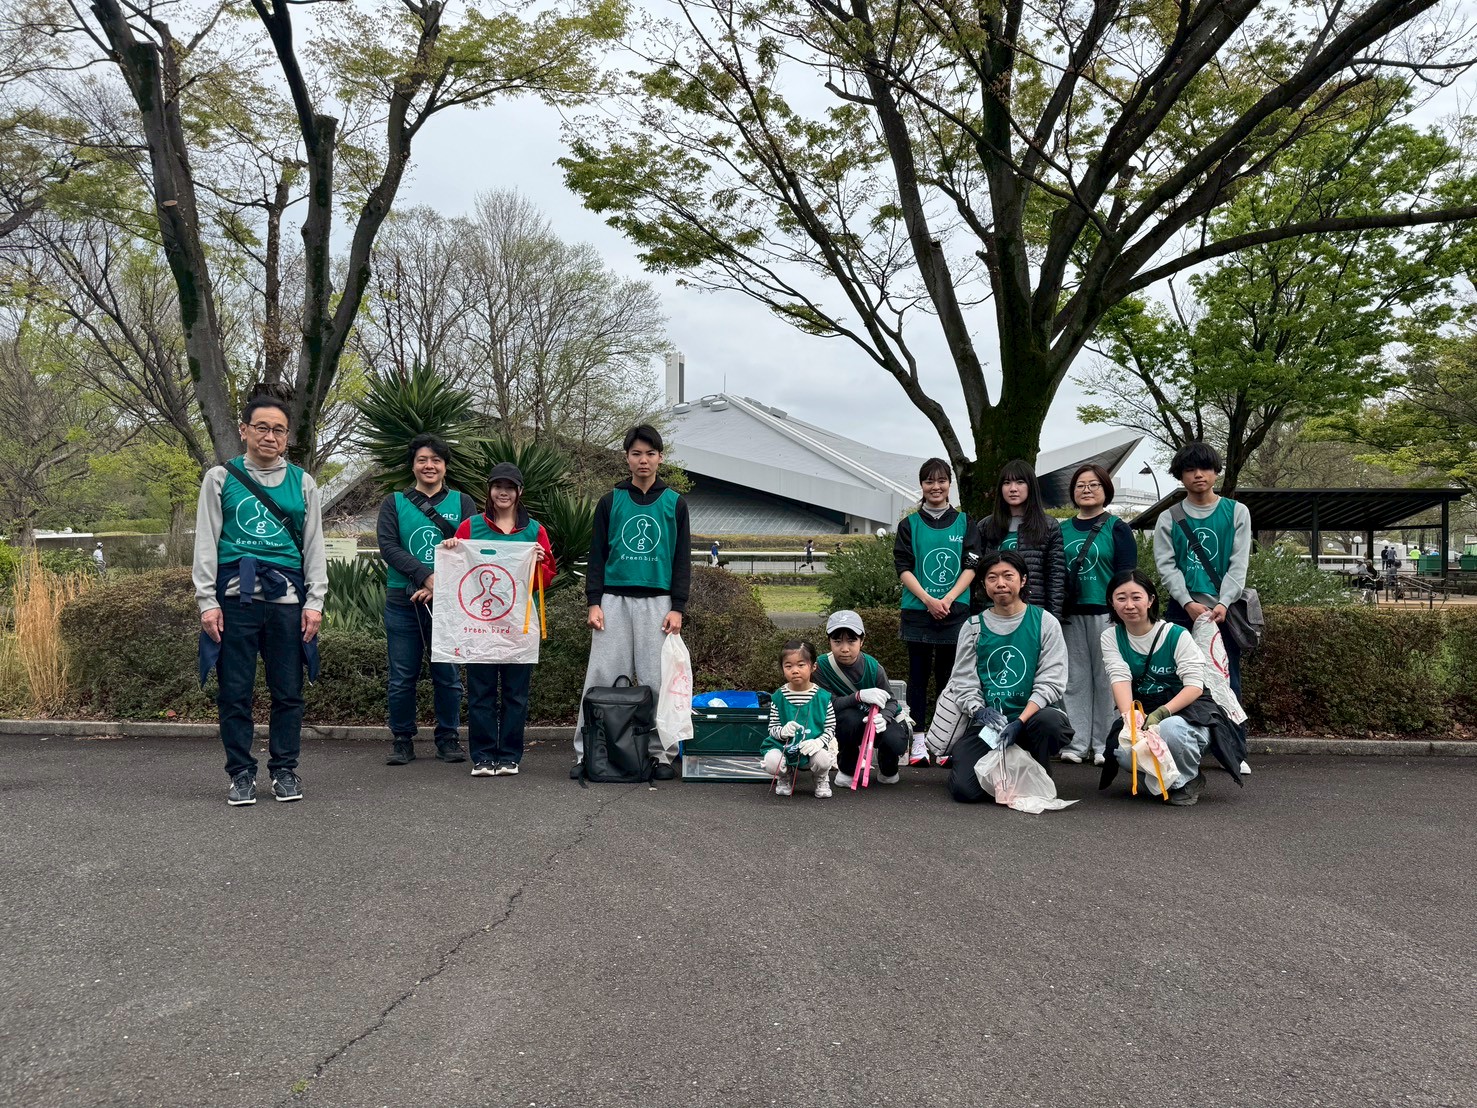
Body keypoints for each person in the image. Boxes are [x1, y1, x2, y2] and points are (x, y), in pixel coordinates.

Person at [194, 388, 327, 807]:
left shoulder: (303, 482)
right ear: (244, 430)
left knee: (288, 690)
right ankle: (240, 774)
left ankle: (285, 769)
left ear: (287, 437)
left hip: (288, 603)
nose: (270, 437)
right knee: (234, 691)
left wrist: (315, 602)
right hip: (235, 602)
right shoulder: (220, 478)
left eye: (279, 430)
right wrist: (206, 601)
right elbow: (206, 543)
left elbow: (314, 546)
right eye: (263, 428)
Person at [577, 425, 691, 780]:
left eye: (650, 453)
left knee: (659, 679)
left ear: (660, 457)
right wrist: (593, 601)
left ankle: (661, 754)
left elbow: (682, 559)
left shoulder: (675, 503)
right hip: (613, 599)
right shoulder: (611, 501)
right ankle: (589, 750)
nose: (644, 460)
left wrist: (678, 606)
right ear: (627, 457)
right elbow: (596, 555)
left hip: (658, 603)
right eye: (636, 453)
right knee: (602, 676)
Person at [444, 462, 556, 777]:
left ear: (519, 492)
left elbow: (545, 581)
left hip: (518, 625)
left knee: (515, 694)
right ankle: (482, 755)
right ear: (489, 491)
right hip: (480, 626)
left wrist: (540, 565)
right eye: (497, 486)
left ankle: (509, 755)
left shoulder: (535, 531)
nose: (503, 492)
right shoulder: (469, 527)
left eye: (509, 487)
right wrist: (452, 548)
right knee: (480, 692)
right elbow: (458, 573)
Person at [376, 433, 478, 767]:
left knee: (447, 674)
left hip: (448, 602)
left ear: (445, 465)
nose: (429, 465)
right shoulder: (394, 502)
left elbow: (468, 549)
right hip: (402, 600)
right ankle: (402, 739)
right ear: (413, 465)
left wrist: (439, 586)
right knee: (401, 675)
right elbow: (389, 546)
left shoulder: (463, 503)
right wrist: (424, 576)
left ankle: (448, 737)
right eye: (422, 460)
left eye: (436, 460)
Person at [941, 550, 1074, 803]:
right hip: (989, 725)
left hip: (1032, 719)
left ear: (1023, 580)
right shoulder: (973, 627)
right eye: (992, 577)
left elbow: (1052, 682)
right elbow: (963, 681)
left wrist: (1021, 721)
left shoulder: (1044, 622)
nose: (1000, 583)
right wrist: (979, 711)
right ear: (983, 584)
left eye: (1008, 576)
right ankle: (1006, 769)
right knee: (964, 791)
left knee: (1051, 725)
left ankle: (1037, 763)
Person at [1152, 441, 1252, 774]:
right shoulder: (1169, 517)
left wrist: (1223, 601)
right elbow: (1167, 566)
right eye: (1190, 470)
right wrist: (1187, 602)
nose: (1199, 475)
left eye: (1205, 468)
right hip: (1182, 611)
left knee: (1227, 679)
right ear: (1180, 475)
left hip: (1226, 610)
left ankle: (1234, 752)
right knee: (1181, 680)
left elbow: (1239, 564)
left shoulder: (1236, 512)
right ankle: (1181, 747)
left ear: (1215, 471)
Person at [1099, 569, 1233, 806]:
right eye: (1121, 598)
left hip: (1186, 710)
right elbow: (1119, 677)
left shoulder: (1176, 635)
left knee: (1170, 730)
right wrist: (1130, 717)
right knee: (1123, 749)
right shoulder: (1111, 637)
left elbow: (1194, 686)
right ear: (1111, 602)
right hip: (1144, 709)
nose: (1129, 605)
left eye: (1136, 597)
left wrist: (1161, 714)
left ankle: (1188, 779)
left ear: (1150, 600)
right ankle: (1166, 780)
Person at [894, 457, 981, 767]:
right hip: (918, 610)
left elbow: (972, 566)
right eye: (929, 481)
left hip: (955, 611)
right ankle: (917, 741)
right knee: (917, 677)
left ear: (949, 484)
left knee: (949, 677)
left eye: (941, 480)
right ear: (922, 485)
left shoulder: (965, 523)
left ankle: (945, 740)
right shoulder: (909, 525)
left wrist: (948, 598)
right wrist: (929, 599)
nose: (936, 486)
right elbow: (903, 567)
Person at [1056, 463, 1137, 766]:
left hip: (1107, 614)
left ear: (1106, 490)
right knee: (1073, 680)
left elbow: (1127, 575)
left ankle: (1104, 744)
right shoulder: (1059, 529)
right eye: (1080, 485)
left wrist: (1123, 612)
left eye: (1094, 485)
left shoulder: (1118, 528)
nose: (1087, 490)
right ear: (1073, 492)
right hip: (1069, 614)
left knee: (1107, 680)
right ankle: (1076, 744)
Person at [814, 610, 905, 788]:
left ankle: (888, 770)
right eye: (837, 641)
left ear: (862, 641)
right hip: (848, 722)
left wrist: (884, 718)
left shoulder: (873, 667)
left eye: (852, 640)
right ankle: (847, 769)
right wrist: (858, 696)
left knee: (895, 740)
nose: (845, 648)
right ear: (829, 642)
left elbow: (892, 701)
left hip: (876, 719)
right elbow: (827, 704)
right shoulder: (821, 667)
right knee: (847, 719)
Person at [980, 459, 1065, 619]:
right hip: (994, 611)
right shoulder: (986, 526)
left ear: (1031, 486)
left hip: (1034, 611)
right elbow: (977, 574)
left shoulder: (1048, 526)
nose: (1013, 489)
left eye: (1020, 482)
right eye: (1007, 483)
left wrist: (1053, 619)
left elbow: (1056, 578)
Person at [762, 640, 838, 797]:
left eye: (801, 665)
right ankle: (785, 776)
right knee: (771, 761)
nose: (794, 670)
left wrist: (818, 742)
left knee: (823, 759)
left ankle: (821, 778)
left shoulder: (823, 697)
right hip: (784, 747)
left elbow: (830, 727)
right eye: (788, 666)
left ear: (813, 667)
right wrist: (782, 731)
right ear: (782, 669)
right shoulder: (778, 697)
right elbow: (772, 728)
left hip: (812, 748)